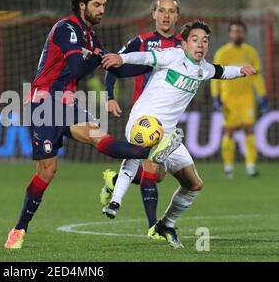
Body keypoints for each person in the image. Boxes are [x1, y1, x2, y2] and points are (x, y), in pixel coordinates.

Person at [4, 0, 184, 249]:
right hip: (42, 104)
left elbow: (116, 67)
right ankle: (18, 229)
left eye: (103, 5)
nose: (102, 10)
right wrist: (97, 58)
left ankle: (154, 151)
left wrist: (154, 66)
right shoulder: (66, 29)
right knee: (47, 171)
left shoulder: (90, 35)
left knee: (102, 141)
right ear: (82, 6)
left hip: (66, 104)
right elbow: (77, 68)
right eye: (98, 5)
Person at [100, 20, 256, 248]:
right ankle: (117, 202)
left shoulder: (203, 69)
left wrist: (241, 71)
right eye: (195, 40)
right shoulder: (172, 56)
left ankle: (165, 224)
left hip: (168, 133)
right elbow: (144, 57)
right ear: (184, 44)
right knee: (150, 162)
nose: (200, 44)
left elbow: (222, 71)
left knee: (193, 184)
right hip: (144, 121)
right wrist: (122, 58)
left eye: (205, 40)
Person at [100, 0, 182, 240]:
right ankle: (153, 227)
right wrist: (109, 97)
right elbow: (114, 64)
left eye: (171, 11)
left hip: (167, 116)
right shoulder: (141, 41)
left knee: (158, 175)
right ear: (153, 14)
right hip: (144, 116)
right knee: (150, 165)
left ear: (177, 16)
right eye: (161, 10)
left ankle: (114, 180)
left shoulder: (183, 44)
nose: (166, 15)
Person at [210, 20, 268, 178]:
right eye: (234, 31)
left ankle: (251, 166)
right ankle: (228, 167)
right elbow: (214, 76)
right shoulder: (222, 53)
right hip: (228, 98)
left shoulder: (251, 52)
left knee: (249, 129)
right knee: (229, 132)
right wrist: (216, 96)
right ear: (230, 34)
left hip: (246, 98)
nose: (237, 34)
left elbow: (257, 77)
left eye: (240, 31)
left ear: (244, 33)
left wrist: (262, 95)